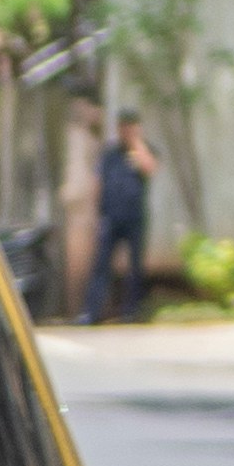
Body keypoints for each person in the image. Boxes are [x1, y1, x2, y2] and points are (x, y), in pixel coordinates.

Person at [85, 113, 158, 325]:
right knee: (101, 266)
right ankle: (91, 312)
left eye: (132, 128)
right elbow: (97, 183)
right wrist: (95, 215)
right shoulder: (110, 154)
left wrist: (137, 145)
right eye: (124, 128)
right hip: (110, 217)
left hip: (134, 218)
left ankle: (131, 312)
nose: (127, 132)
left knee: (135, 267)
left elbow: (150, 169)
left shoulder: (144, 150)